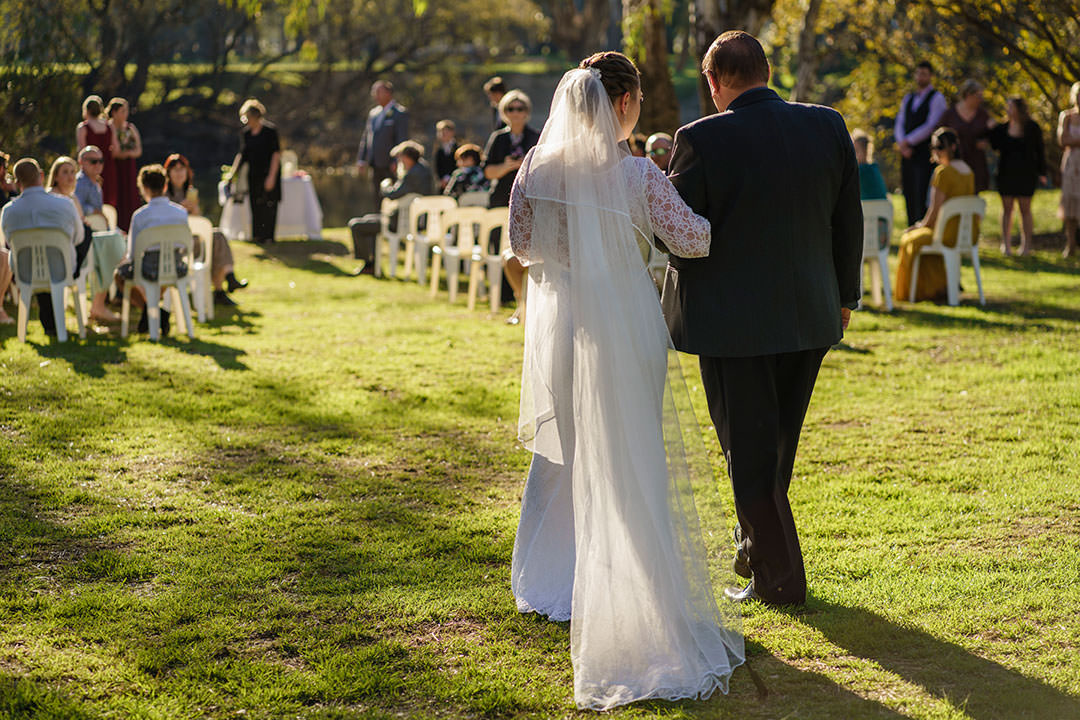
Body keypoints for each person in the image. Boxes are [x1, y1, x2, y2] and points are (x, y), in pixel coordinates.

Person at [508, 51, 744, 710]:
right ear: (621, 103)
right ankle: (634, 584)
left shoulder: (532, 169)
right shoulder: (638, 175)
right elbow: (692, 239)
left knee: (562, 454)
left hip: (565, 326)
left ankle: (549, 577)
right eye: (636, 97)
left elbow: (521, 244)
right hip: (627, 327)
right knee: (630, 448)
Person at [662, 30, 863, 606]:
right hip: (812, 312)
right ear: (767, 71)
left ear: (713, 79)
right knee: (776, 446)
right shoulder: (828, 124)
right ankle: (754, 549)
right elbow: (849, 221)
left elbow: (682, 237)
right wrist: (844, 297)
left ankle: (778, 581)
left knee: (747, 454)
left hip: (733, 323)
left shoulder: (699, 138)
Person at [0, 158, 84, 337]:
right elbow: (80, 237)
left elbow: (8, 241)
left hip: (25, 273)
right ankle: (55, 327)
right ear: (42, 176)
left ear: (17, 182)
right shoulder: (64, 204)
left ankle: (50, 326)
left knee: (37, 261)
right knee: (52, 261)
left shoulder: (8, 211)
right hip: (62, 270)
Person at [894, 128, 976, 301]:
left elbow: (934, 211)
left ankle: (914, 292)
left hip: (945, 233)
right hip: (966, 233)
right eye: (933, 147)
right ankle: (939, 288)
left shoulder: (943, 172)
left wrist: (919, 226)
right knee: (918, 237)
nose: (936, 151)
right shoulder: (969, 172)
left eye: (940, 147)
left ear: (953, 147)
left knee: (909, 239)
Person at [483, 89, 540, 320]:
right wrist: (507, 166)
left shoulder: (535, 137)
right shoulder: (498, 139)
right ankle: (506, 297)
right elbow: (488, 171)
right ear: (504, 112)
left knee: (524, 251)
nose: (515, 113)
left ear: (527, 112)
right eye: (510, 109)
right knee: (498, 248)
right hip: (499, 201)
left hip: (528, 203)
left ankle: (528, 301)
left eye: (520, 108)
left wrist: (523, 167)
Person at [115, 165, 190, 335]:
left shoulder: (140, 215)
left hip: (148, 270)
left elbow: (133, 253)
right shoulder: (181, 213)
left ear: (144, 188)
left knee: (119, 275)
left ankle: (151, 310)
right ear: (165, 185)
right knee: (162, 274)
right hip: (176, 267)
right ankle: (158, 312)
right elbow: (185, 246)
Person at [165, 153, 247, 305]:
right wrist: (179, 210)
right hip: (177, 244)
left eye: (181, 169)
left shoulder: (191, 193)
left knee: (217, 237)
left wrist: (195, 210)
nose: (179, 173)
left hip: (194, 239)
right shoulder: (165, 196)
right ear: (168, 173)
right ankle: (222, 287)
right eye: (175, 169)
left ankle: (224, 282)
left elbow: (199, 223)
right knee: (215, 241)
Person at [990, 97, 1047, 256]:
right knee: (1007, 209)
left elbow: (1040, 151)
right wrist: (991, 128)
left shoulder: (1032, 128)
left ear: (1019, 109)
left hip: (1026, 174)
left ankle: (1026, 246)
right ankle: (1006, 245)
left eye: (1010, 106)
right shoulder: (1002, 128)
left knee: (1025, 209)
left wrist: (1042, 172)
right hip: (1006, 174)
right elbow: (994, 145)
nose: (1008, 109)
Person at [894, 61, 947, 225]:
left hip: (925, 154)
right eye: (918, 73)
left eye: (924, 73)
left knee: (922, 192)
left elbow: (931, 125)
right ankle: (911, 228)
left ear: (930, 76)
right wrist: (902, 143)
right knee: (909, 192)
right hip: (907, 154)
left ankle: (924, 229)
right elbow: (900, 121)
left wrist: (909, 141)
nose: (920, 77)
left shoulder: (937, 98)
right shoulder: (908, 98)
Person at [75, 146, 123, 323]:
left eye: (100, 161)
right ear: (81, 163)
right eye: (93, 161)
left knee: (119, 243)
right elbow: (76, 206)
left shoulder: (94, 182)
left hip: (97, 234)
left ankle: (106, 300)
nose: (98, 165)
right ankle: (100, 304)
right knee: (113, 250)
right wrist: (94, 211)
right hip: (86, 239)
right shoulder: (81, 183)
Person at [229, 99, 282, 244]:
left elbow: (276, 154)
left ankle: (269, 237)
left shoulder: (270, 131)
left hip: (269, 173)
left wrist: (271, 177)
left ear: (255, 116)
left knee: (269, 205)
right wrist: (233, 173)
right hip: (254, 174)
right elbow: (242, 155)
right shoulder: (246, 133)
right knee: (255, 204)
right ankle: (257, 235)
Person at [357, 80, 410, 211]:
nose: (375, 95)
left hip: (390, 163)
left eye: (378, 91)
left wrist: (397, 160)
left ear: (388, 93)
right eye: (374, 92)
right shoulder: (373, 113)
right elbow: (366, 137)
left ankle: (392, 223)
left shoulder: (399, 113)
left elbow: (401, 139)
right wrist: (362, 159)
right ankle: (378, 222)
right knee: (377, 194)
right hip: (374, 162)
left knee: (391, 194)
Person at [938, 79, 993, 193]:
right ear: (968, 95)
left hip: (976, 163)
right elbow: (939, 136)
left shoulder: (983, 115)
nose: (981, 99)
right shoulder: (950, 114)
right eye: (978, 96)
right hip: (955, 162)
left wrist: (986, 140)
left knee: (973, 196)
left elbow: (991, 136)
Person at [106, 97, 143, 231]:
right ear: (114, 112)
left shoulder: (130, 127)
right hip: (115, 167)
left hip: (129, 167)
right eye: (122, 111)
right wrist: (123, 154)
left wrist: (127, 154)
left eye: (126, 111)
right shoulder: (109, 127)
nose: (125, 114)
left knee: (131, 195)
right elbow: (112, 151)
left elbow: (139, 149)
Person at [75, 95, 116, 210]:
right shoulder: (109, 126)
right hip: (108, 165)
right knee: (109, 203)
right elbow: (115, 148)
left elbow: (82, 151)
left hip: (90, 166)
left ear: (86, 110)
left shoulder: (83, 127)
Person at [853, 130, 890, 253]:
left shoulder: (860, 171)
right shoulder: (874, 168)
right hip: (882, 236)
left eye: (856, 151)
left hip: (869, 236)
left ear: (865, 151)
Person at [1060, 82, 1080, 258]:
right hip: (1071, 165)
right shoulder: (1066, 116)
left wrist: (1072, 141)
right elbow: (1062, 140)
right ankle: (1070, 244)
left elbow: (1069, 139)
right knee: (1069, 205)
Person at [431, 119, 459, 192]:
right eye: (440, 132)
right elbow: (437, 167)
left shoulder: (458, 147)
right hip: (443, 185)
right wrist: (441, 180)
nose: (443, 134)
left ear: (452, 132)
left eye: (445, 132)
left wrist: (450, 178)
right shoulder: (438, 149)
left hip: (456, 183)